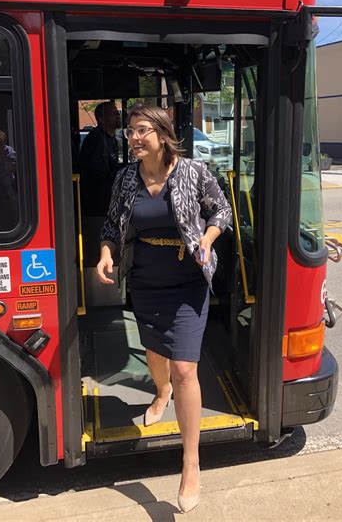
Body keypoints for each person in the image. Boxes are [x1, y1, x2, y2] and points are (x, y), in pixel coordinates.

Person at [97, 104, 231, 513]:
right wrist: (106, 254)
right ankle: (161, 393)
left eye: (141, 131)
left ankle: (190, 463)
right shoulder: (125, 179)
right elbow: (111, 226)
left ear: (161, 133)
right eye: (130, 132)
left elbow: (221, 210)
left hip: (189, 279)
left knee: (185, 366)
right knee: (155, 353)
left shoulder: (192, 171)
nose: (133, 138)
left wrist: (206, 241)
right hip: (147, 280)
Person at [79, 100, 121, 215]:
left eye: (117, 112)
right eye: (113, 113)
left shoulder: (112, 139)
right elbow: (98, 175)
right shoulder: (96, 140)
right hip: (98, 205)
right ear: (101, 119)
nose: (118, 116)